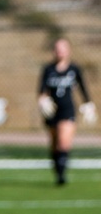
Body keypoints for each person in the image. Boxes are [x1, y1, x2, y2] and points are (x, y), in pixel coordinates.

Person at [38, 38, 95, 185]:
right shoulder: (48, 69)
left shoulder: (74, 69)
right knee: (55, 144)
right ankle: (58, 170)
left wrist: (88, 104)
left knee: (64, 143)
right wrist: (43, 101)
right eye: (57, 49)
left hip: (67, 110)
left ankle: (61, 176)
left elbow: (83, 88)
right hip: (52, 112)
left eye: (63, 49)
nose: (60, 52)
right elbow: (41, 90)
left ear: (68, 51)